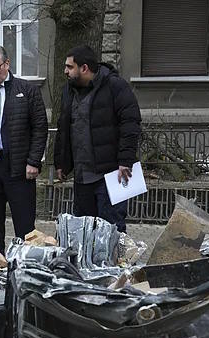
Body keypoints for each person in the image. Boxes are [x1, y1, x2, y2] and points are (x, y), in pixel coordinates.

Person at [54, 45, 141, 233]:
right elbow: (64, 127)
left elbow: (130, 124)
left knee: (111, 230)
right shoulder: (68, 90)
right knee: (84, 231)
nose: (65, 71)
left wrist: (125, 161)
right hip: (82, 175)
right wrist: (61, 162)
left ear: (84, 68)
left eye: (69, 67)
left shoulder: (115, 86)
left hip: (112, 175)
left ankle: (115, 263)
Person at [0, 44, 48, 254]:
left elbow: (40, 128)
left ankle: (25, 268)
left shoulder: (28, 91)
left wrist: (34, 161)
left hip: (19, 168)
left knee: (24, 227)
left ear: (7, 64)